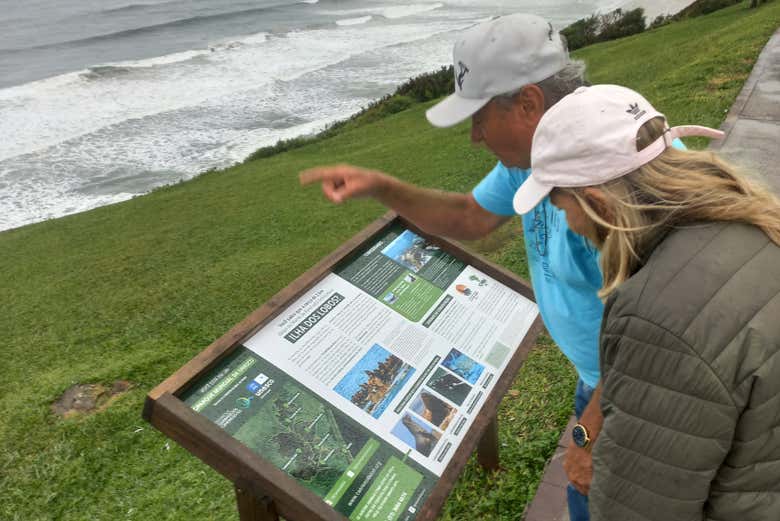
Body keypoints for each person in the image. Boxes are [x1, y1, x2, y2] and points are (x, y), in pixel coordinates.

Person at [300, 14, 601, 519]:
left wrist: (588, 433)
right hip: (597, 376)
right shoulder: (537, 155)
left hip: (635, 388)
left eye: (479, 118)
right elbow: (471, 215)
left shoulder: (613, 173)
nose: (475, 137)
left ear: (528, 103)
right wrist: (381, 186)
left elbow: (668, 329)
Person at [512, 83, 780, 520]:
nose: (571, 224)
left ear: (598, 203)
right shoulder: (753, 222)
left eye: (564, 209)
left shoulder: (658, 320)